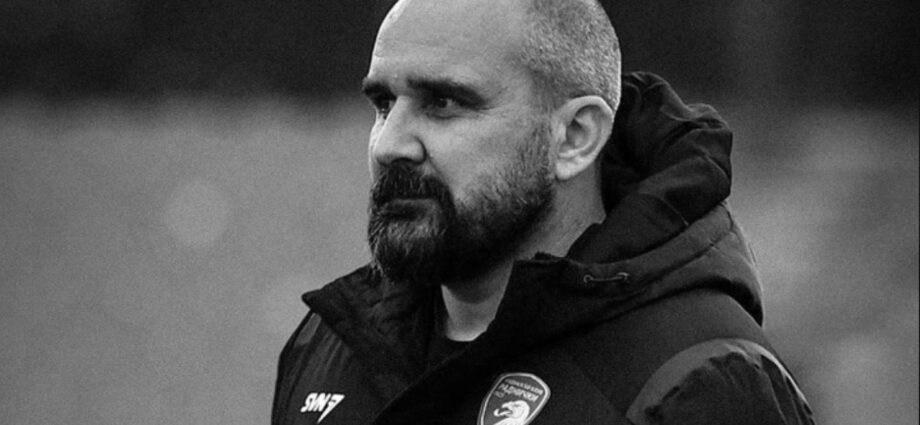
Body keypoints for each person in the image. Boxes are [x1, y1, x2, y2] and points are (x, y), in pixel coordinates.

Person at [272, 0, 815, 424]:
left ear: (574, 137)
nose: (390, 145)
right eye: (383, 104)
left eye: (443, 103)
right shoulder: (330, 346)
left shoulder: (696, 381)